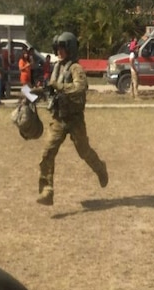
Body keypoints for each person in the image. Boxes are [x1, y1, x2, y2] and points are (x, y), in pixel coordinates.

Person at [32, 32, 108, 206]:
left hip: (74, 119)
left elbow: (79, 88)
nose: (59, 52)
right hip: (58, 118)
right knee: (47, 153)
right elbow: (50, 90)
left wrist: (58, 86)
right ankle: (47, 190)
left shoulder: (76, 68)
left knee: (84, 151)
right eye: (57, 49)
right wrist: (30, 95)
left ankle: (100, 168)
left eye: (62, 49)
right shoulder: (57, 68)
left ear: (70, 50)